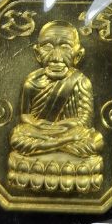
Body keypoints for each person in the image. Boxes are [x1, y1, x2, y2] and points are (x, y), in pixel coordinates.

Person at [9, 20, 103, 160]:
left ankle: (48, 146)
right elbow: (24, 115)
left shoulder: (81, 81)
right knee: (17, 134)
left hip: (68, 132)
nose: (56, 57)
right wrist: (35, 123)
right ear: (37, 53)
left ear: (78, 55)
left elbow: (86, 120)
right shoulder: (31, 82)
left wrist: (64, 125)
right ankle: (59, 144)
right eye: (47, 47)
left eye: (65, 47)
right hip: (40, 132)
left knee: (95, 140)